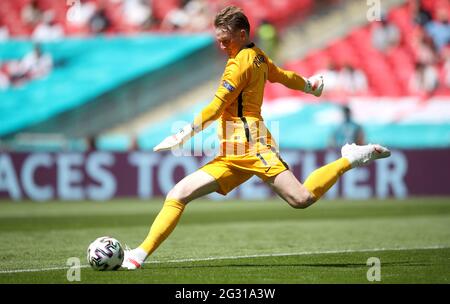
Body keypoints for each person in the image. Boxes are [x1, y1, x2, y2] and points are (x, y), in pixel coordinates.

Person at [121, 6, 390, 270]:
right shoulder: (257, 56)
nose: (222, 46)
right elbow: (283, 76)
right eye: (219, 40)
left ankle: (349, 158)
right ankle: (138, 256)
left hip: (252, 144)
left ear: (242, 34)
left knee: (302, 198)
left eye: (225, 40)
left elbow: (215, 107)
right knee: (178, 194)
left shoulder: (239, 64)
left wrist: (183, 134)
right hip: (231, 152)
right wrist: (309, 85)